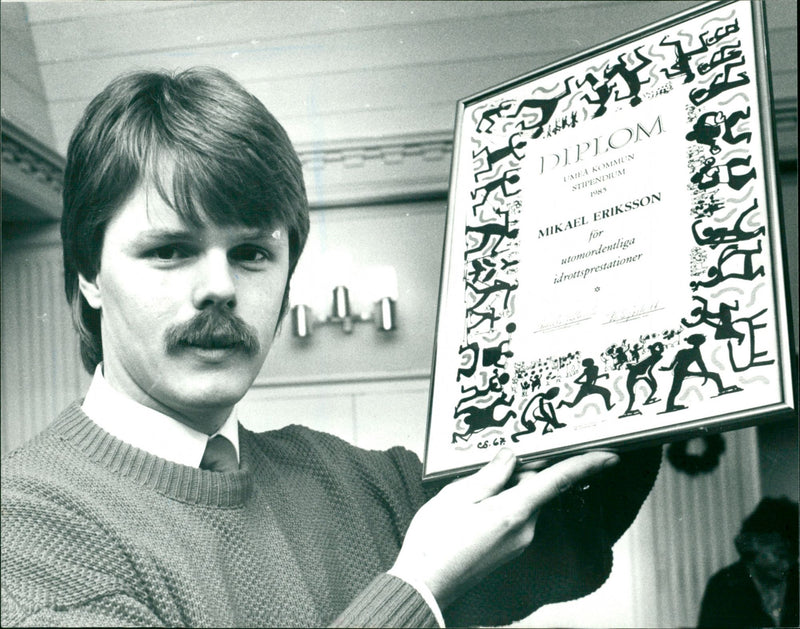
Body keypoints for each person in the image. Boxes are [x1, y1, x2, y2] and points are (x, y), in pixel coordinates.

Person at [1, 67, 661, 627]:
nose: (220, 288)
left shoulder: (358, 482)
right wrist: (417, 591)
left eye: (253, 251)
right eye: (170, 250)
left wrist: (640, 287)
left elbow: (577, 512)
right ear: (89, 271)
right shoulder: (26, 525)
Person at [698, 497, 799, 628]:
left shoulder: (796, 579)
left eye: (791, 557)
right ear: (753, 544)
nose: (786, 566)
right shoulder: (724, 586)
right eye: (779, 555)